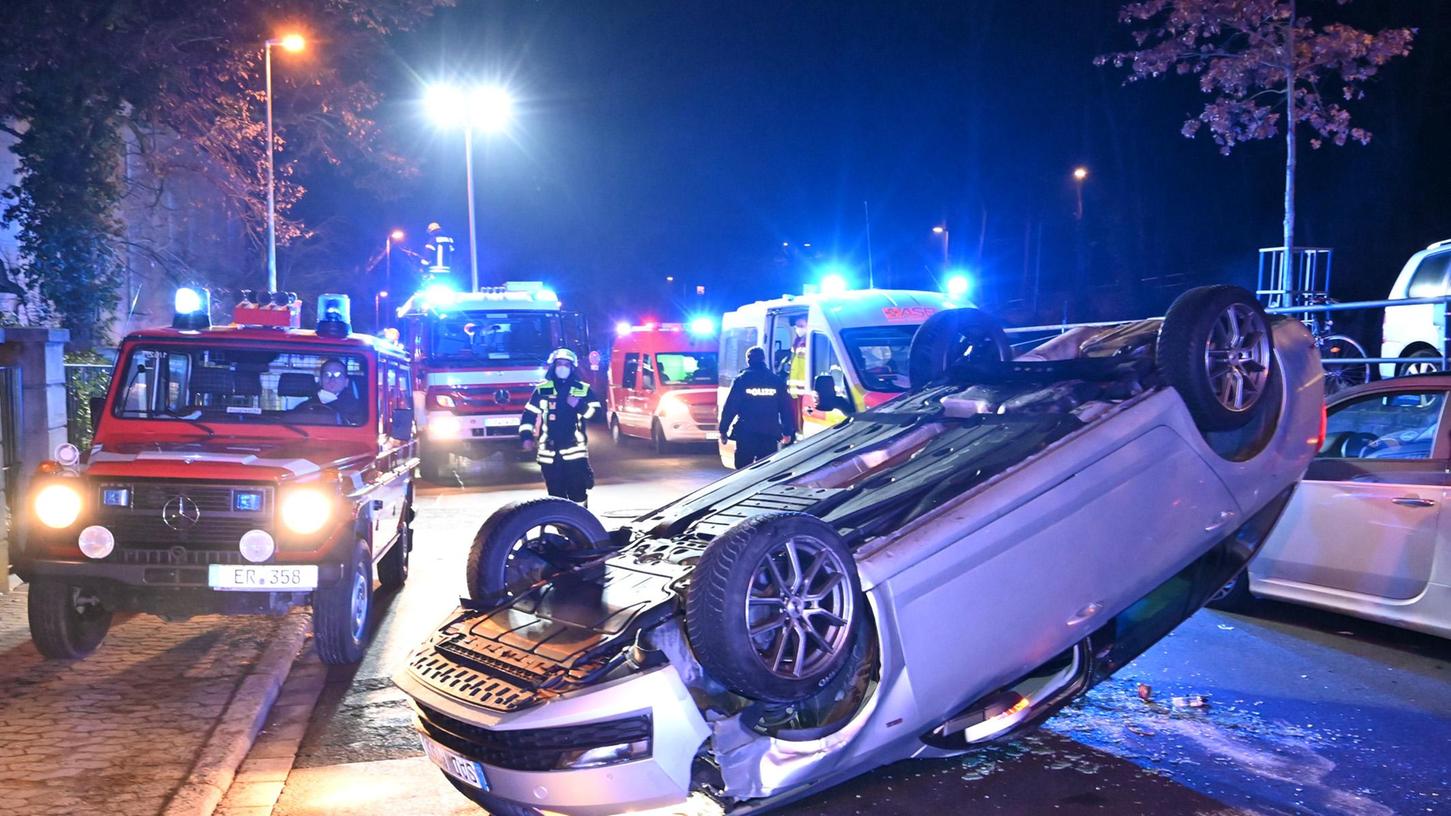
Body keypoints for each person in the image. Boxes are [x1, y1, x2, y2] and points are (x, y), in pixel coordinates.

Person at [519, 348, 603, 503]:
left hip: (575, 454)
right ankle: (561, 526)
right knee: (556, 498)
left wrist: (580, 405)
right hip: (549, 455)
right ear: (553, 366)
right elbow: (528, 415)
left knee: (578, 495)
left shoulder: (582, 390)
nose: (562, 367)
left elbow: (598, 416)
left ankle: (580, 525)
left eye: (566, 364)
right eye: (559, 364)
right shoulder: (542, 389)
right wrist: (526, 437)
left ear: (572, 368)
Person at [720, 345, 796, 469]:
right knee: (765, 470)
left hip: (746, 432)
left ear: (748, 360)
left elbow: (731, 407)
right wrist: (787, 432)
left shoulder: (742, 380)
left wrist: (723, 430)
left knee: (743, 470)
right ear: (763, 359)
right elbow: (785, 408)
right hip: (769, 432)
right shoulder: (775, 380)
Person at [299, 358, 365, 425]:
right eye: (327, 375)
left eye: (338, 375)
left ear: (346, 382)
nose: (332, 379)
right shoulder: (305, 406)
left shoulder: (358, 408)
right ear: (320, 380)